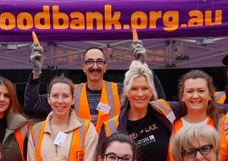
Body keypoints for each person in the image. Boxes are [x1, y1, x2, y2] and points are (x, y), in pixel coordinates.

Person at [25, 41, 164, 131]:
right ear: (83, 67)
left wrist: (144, 67)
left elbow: (156, 100)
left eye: (99, 62)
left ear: (105, 67)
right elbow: (33, 104)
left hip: (113, 156)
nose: (95, 66)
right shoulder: (70, 93)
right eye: (90, 62)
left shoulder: (121, 90)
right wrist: (36, 73)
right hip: (81, 157)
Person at [166, 70, 228, 161]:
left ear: (210, 96)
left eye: (201, 91)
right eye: (190, 91)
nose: (195, 96)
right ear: (183, 97)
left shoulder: (225, 123)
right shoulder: (171, 124)